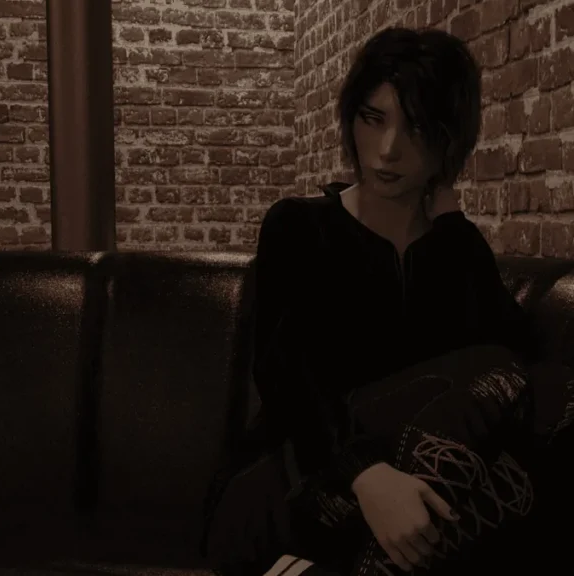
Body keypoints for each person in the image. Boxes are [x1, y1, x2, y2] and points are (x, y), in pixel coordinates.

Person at [202, 26, 542, 576]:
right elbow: (286, 374)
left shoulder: (454, 250)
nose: (388, 150)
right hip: (286, 487)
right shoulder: (300, 226)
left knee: (548, 389)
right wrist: (367, 474)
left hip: (400, 497)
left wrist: (452, 226)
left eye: (418, 127)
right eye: (373, 118)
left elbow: (516, 358)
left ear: (449, 138)